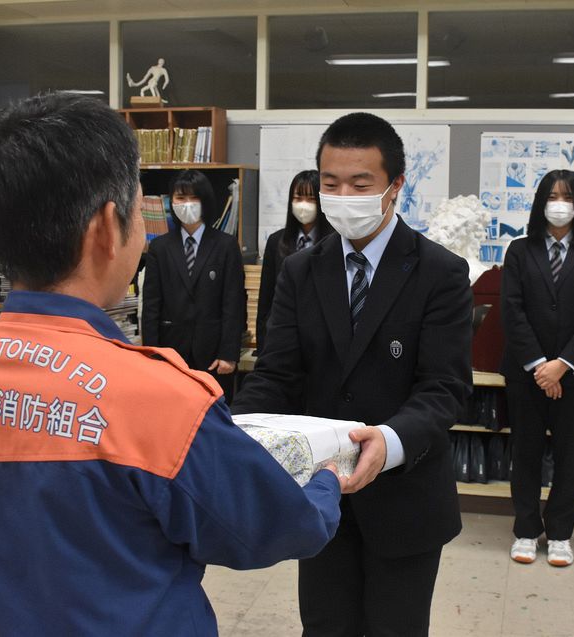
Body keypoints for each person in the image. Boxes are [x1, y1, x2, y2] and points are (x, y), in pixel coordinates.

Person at [0, 93, 342, 636]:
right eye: (139, 209)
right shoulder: (161, 403)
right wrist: (328, 481)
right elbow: (273, 527)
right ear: (108, 229)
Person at [230, 112, 473, 636]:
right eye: (330, 183)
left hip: (405, 501)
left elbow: (444, 389)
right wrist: (226, 428)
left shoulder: (440, 273)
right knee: (324, 626)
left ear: (395, 186)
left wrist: (388, 441)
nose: (343, 196)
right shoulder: (301, 269)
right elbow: (277, 373)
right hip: (320, 497)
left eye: (361, 184)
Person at [500, 170, 574, 567]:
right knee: (525, 452)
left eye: (567, 196)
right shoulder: (519, 250)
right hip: (526, 372)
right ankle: (526, 530)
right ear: (541, 201)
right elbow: (512, 311)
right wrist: (539, 366)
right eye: (552, 195)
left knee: (569, 455)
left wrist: (561, 366)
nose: (559, 203)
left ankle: (560, 533)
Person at [141, 169, 246, 403]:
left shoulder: (226, 245)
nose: (187, 204)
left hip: (214, 354)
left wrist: (229, 354)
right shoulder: (159, 247)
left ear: (205, 201)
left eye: (193, 198)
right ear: (172, 202)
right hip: (171, 354)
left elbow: (234, 302)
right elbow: (151, 306)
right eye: (180, 198)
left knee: (213, 417)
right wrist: (151, 355)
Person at [256, 169, 332, 353]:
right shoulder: (276, 241)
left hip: (322, 338)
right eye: (298, 197)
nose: (303, 204)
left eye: (311, 198)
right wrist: (262, 344)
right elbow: (266, 297)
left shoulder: (334, 241)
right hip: (283, 335)